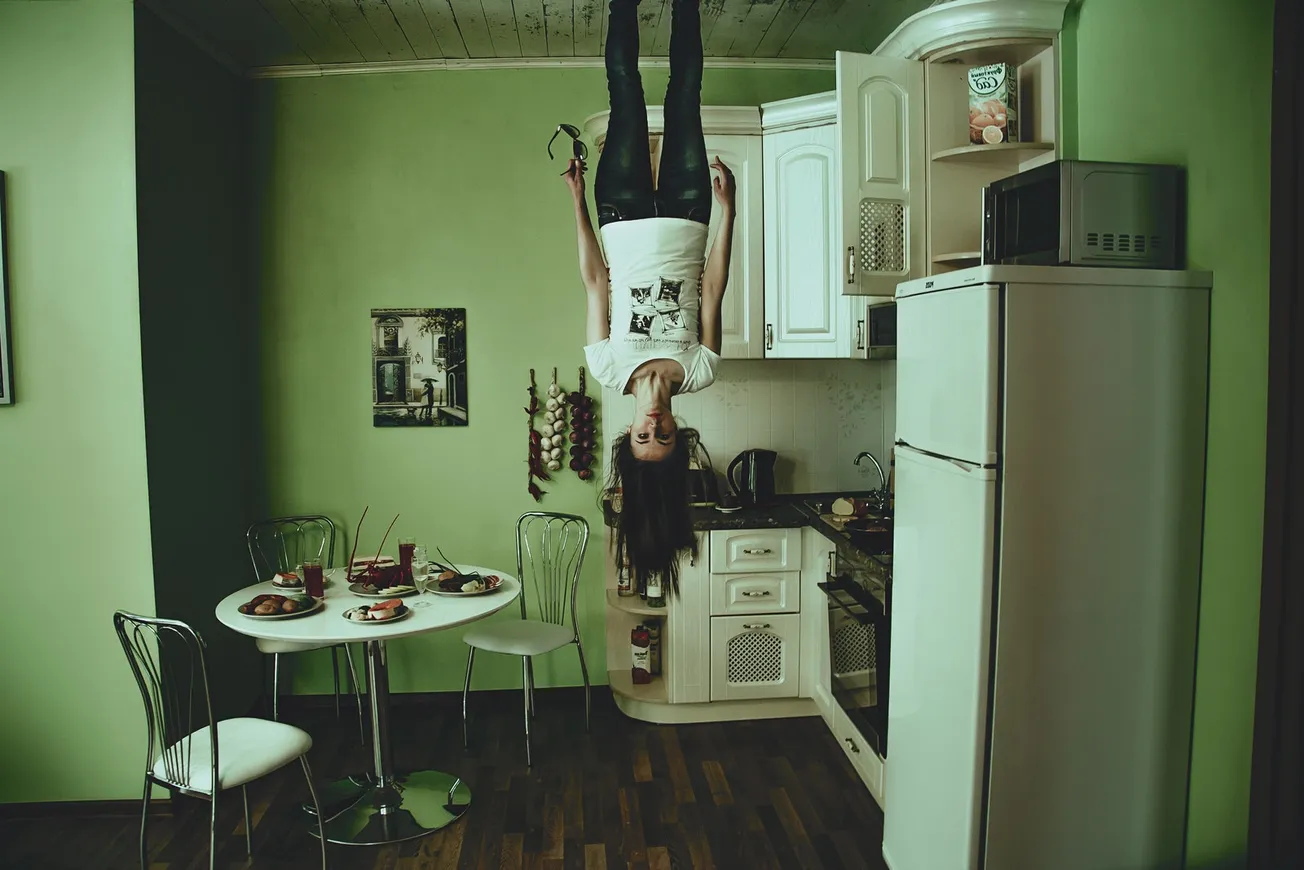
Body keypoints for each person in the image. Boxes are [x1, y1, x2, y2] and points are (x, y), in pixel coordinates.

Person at [563, 0, 734, 594]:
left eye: (643, 438)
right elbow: (712, 285)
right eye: (664, 437)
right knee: (685, 93)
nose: (654, 426)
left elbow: (594, 280)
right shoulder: (701, 369)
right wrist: (727, 212)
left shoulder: (607, 366)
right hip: (690, 212)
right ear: (678, 435)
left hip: (619, 213)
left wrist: (577, 202)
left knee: (626, 91)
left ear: (628, 437)